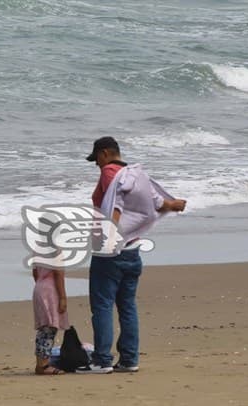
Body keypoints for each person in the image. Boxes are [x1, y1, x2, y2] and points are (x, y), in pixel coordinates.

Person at [77, 136, 187, 374]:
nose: (96, 164)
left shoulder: (110, 173)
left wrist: (110, 233)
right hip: (133, 250)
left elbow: (115, 203)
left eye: (96, 158)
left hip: (112, 251)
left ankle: (102, 360)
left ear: (105, 153)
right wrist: (174, 204)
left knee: (103, 305)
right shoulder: (137, 175)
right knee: (127, 306)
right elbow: (158, 202)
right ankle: (129, 359)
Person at [32, 266, 69, 374]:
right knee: (49, 327)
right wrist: (62, 297)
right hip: (50, 289)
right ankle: (43, 365)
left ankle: (41, 362)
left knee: (44, 327)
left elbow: (35, 272)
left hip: (40, 286)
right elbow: (58, 273)